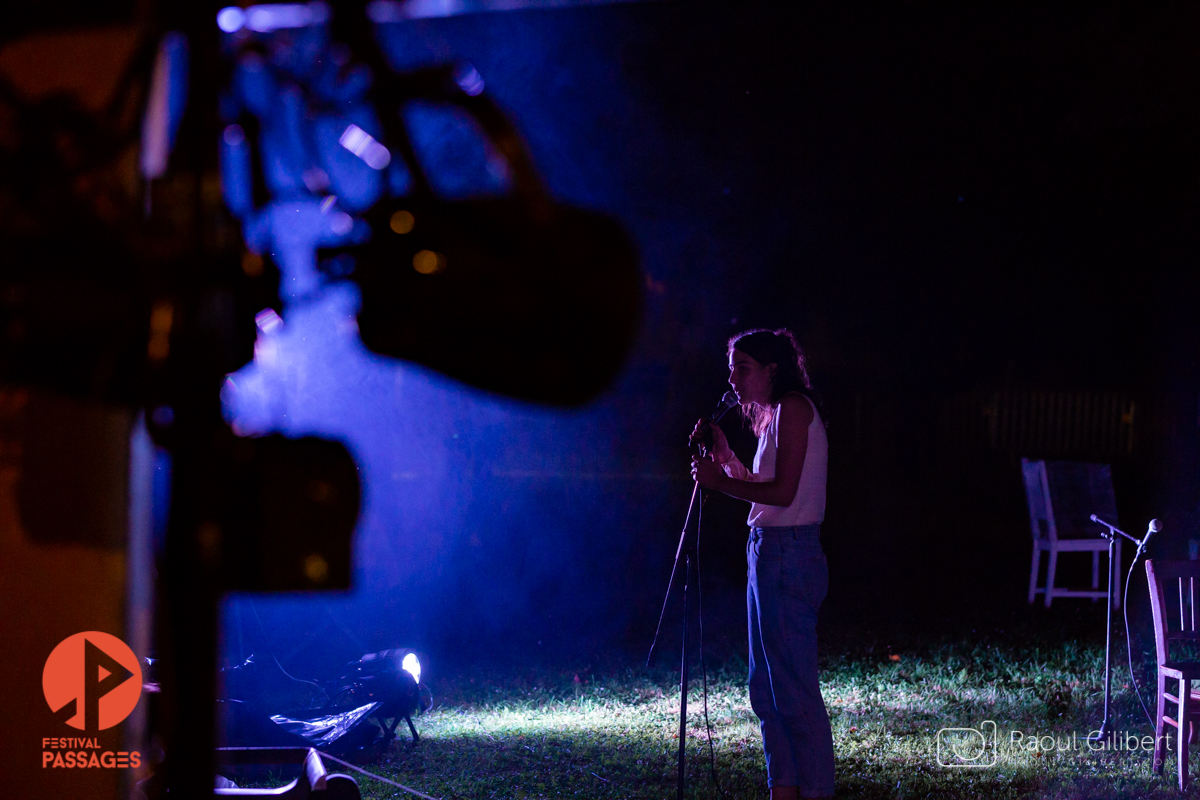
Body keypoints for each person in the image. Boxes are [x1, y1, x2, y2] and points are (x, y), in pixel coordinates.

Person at [690, 328, 835, 800]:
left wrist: (718, 483)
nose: (732, 377)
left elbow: (783, 494)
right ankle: (784, 791)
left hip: (789, 553)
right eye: (732, 367)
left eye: (742, 367)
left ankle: (813, 791)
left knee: (793, 690)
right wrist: (726, 459)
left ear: (772, 369)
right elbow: (762, 487)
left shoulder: (794, 409)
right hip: (766, 549)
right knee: (767, 689)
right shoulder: (771, 416)